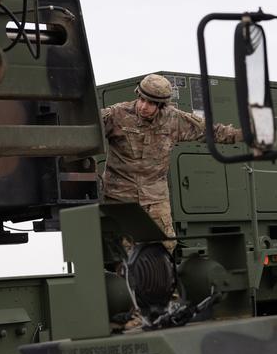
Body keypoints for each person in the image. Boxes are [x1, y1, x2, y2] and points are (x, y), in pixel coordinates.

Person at [101, 74, 242, 251]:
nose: (144, 106)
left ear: (161, 106)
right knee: (122, 251)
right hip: (120, 199)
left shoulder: (174, 120)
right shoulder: (117, 115)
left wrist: (243, 135)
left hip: (155, 198)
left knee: (166, 247)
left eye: (151, 103)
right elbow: (87, 131)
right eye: (142, 100)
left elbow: (212, 132)